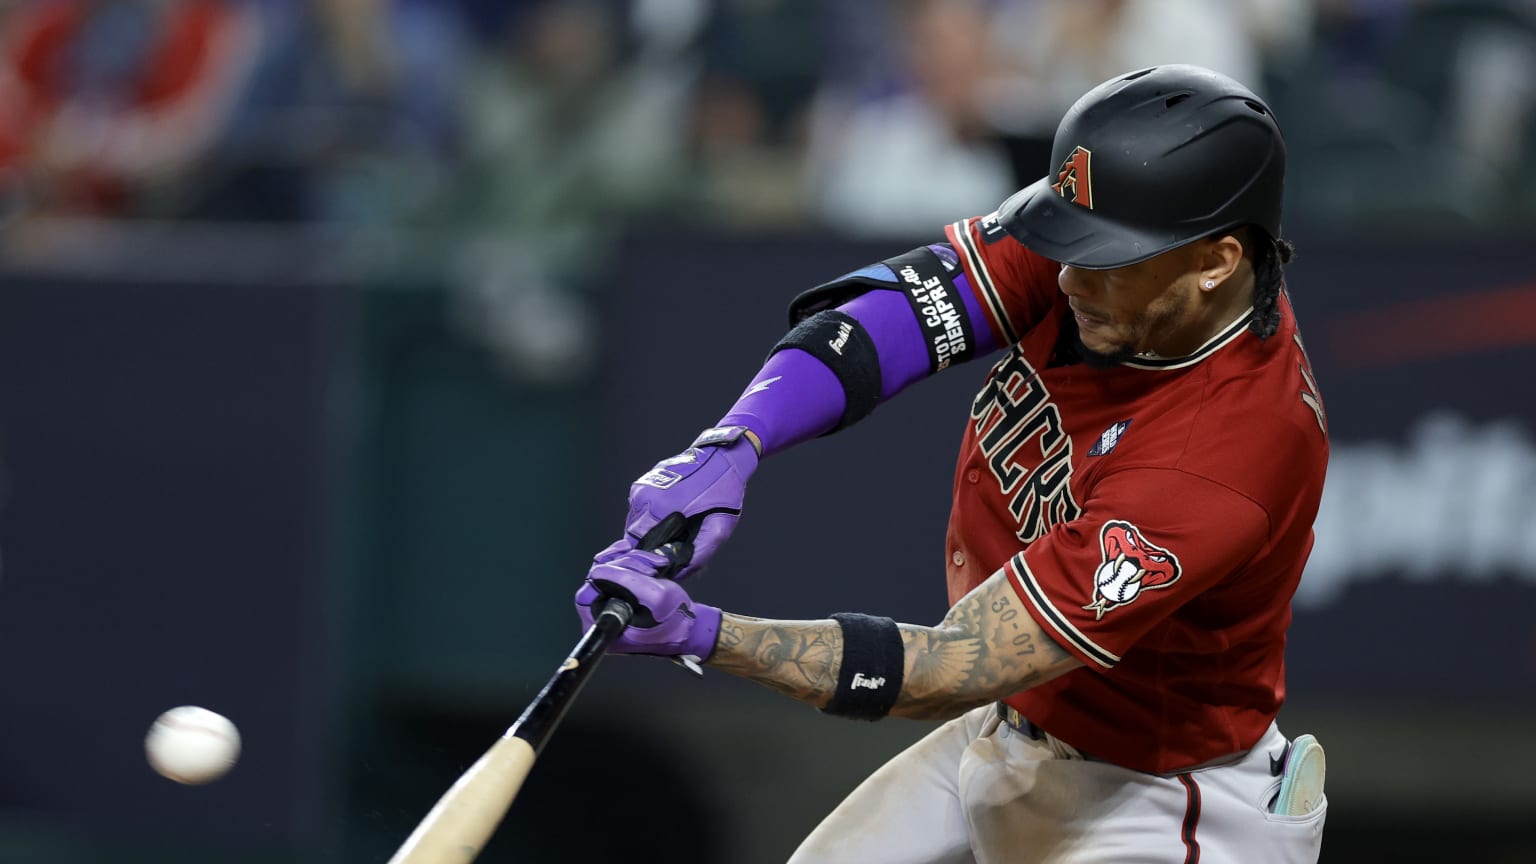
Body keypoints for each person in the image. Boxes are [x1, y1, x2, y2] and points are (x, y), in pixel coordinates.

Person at [575, 64, 1330, 863]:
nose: (1066, 274)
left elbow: (949, 665)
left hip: (1157, 802)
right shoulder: (1130, 266)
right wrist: (735, 441)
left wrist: (704, 634)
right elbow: (896, 317)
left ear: (1217, 261)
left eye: (1103, 255)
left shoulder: (1225, 455)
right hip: (1015, 728)